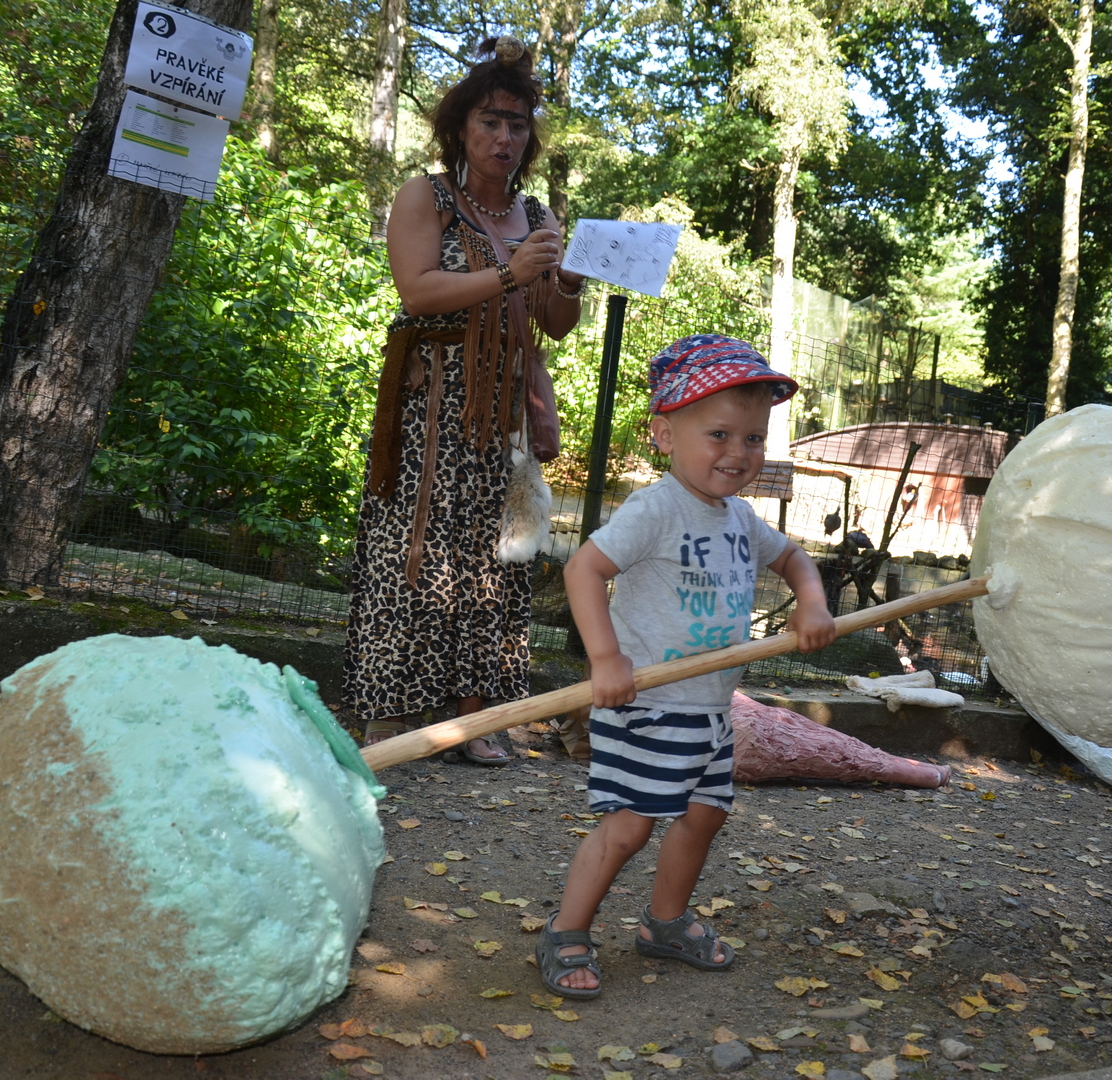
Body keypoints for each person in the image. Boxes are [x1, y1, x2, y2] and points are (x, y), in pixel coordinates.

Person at [535, 335, 838, 999]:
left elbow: (794, 559)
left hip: (708, 710)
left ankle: (663, 924)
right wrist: (606, 657)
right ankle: (566, 930)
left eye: (753, 439)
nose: (738, 454)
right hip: (644, 704)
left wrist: (810, 605)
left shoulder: (740, 519)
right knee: (628, 827)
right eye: (720, 434)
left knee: (703, 818)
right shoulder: (656, 507)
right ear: (664, 434)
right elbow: (583, 567)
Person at [344, 36, 585, 762]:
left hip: (503, 416)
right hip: (430, 407)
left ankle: (474, 720)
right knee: (416, 551)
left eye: (516, 126)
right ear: (460, 129)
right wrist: (511, 274)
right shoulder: (428, 197)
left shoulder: (537, 215)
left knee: (494, 563)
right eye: (490, 122)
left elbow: (554, 324)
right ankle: (393, 716)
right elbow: (417, 290)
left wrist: (565, 278)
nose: (504, 137)